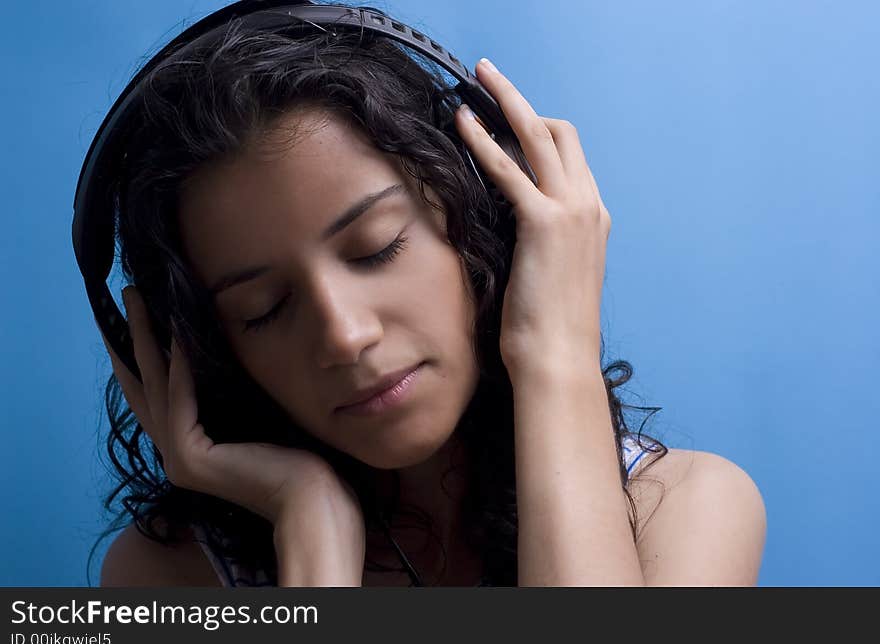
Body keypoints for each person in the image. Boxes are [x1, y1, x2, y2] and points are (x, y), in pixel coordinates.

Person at [92, 1, 766, 587]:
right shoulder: (167, 575)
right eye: (264, 309)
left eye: (377, 247)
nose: (345, 334)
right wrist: (313, 526)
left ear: (485, 214)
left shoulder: (684, 510)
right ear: (203, 350)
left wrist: (554, 349)